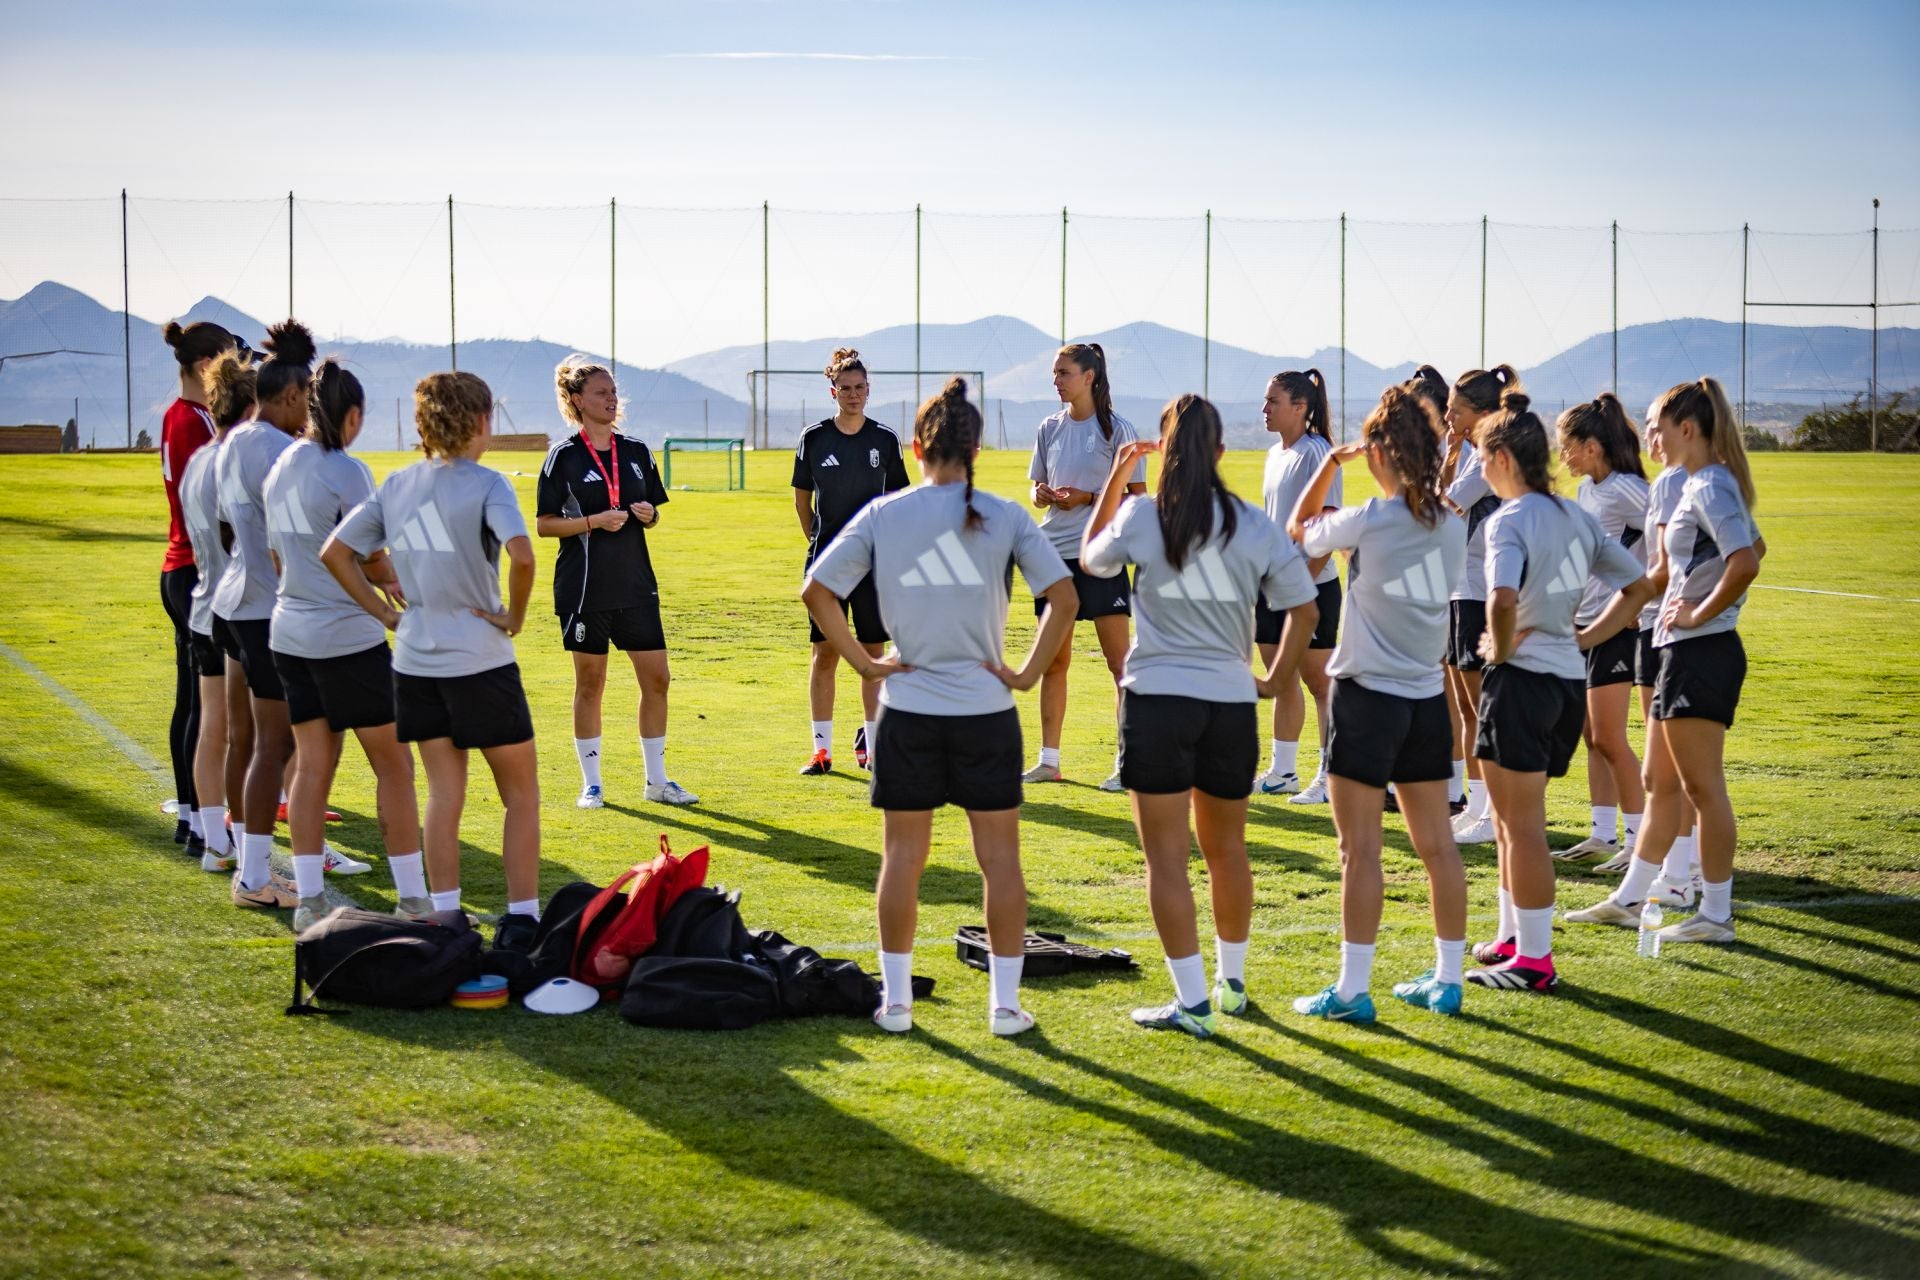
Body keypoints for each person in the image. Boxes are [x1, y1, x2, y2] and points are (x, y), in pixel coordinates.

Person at [803, 378, 1077, 1037]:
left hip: (909, 710)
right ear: (975, 445)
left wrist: (867, 662)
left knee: (903, 859)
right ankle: (1004, 1008)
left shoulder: (885, 514)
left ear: (917, 445)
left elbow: (816, 591)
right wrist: (1024, 674)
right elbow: (1065, 597)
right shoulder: (1006, 513)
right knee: (1000, 862)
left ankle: (896, 1003)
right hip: (986, 711)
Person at [1081, 394, 1318, 1039]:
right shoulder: (1250, 521)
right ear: (1219, 452)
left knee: (1166, 858)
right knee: (1227, 851)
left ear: (1165, 450)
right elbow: (1306, 608)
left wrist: (1115, 476)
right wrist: (1272, 678)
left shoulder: (1140, 513)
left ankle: (1193, 1002)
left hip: (1158, 701)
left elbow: (1089, 559)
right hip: (1230, 705)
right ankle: (1232, 985)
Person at [325, 372, 544, 952]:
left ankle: (446, 917)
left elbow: (336, 553)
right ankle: (522, 918)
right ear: (480, 422)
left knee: (445, 794)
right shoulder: (490, 483)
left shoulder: (395, 485)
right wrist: (513, 617)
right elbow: (523, 557)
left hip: (417, 662)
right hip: (480, 658)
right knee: (520, 794)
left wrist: (387, 615)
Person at [1283, 387, 1470, 1022]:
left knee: (1358, 852)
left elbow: (1299, 532)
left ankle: (1352, 990)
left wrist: (1328, 465)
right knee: (1438, 848)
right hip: (1424, 703)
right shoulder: (1452, 519)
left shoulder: (1371, 515)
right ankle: (1448, 980)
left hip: (1366, 701)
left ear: (1382, 452)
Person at [1461, 392, 1653, 993]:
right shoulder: (1576, 516)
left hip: (1522, 683)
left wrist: (1503, 645)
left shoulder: (1508, 520)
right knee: (1510, 822)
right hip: (1565, 682)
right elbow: (1641, 586)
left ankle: (1536, 962)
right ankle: (1512, 938)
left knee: (1521, 826)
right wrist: (1588, 634)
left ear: (1499, 459)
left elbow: (1500, 599)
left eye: (1480, 455)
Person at [1564, 378, 1762, 946]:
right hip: (1676, 649)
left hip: (1703, 651)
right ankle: (1631, 898)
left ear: (1687, 428)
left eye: (1654, 422)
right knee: (1661, 782)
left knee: (1703, 789)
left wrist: (1700, 612)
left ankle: (1716, 916)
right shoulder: (1690, 484)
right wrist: (1586, 636)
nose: (1646, 433)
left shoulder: (1710, 485)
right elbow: (1654, 578)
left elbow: (1746, 561)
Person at [266, 358, 427, 930]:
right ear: (352, 415)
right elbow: (365, 551)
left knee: (312, 766)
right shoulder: (347, 471)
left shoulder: (281, 462)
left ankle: (310, 897)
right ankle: (412, 897)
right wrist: (389, 602)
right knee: (394, 765)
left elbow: (278, 555)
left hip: (289, 633)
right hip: (345, 640)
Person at [535, 356, 696, 809]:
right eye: (601, 393)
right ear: (576, 401)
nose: (611, 399)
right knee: (591, 684)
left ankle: (658, 782)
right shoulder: (563, 457)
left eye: (613, 391)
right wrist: (590, 521)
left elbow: (653, 511)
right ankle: (592, 784)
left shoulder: (637, 452)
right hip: (585, 589)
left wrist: (649, 515)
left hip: (635, 586)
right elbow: (545, 525)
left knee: (658, 679)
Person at [212, 321, 316, 911]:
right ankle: (254, 877)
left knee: (258, 742)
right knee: (275, 746)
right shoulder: (277, 448)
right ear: (293, 394)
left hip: (237, 599)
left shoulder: (234, 440)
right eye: (307, 402)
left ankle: (255, 865)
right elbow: (298, 538)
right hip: (263, 609)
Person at [1023, 343, 1146, 791]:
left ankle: (1126, 762)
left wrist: (1090, 499)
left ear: (1089, 376)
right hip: (1052, 556)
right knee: (1054, 663)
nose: (1056, 380)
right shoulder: (1048, 427)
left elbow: (1138, 500)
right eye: (1054, 372)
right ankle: (1049, 761)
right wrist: (1042, 494)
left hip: (1102, 558)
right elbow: (1039, 482)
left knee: (1120, 665)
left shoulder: (1118, 430)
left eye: (1064, 372)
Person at [790, 347, 910, 775]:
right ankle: (821, 751)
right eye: (846, 388)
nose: (854, 394)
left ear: (868, 390)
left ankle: (876, 749)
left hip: (875, 564)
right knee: (824, 655)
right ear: (833, 391)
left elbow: (897, 501)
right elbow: (803, 500)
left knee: (873, 653)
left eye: (860, 388)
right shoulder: (814, 437)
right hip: (827, 565)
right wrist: (818, 543)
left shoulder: (884, 439)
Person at [1550, 395, 1651, 868]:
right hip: (1586, 620)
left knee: (1611, 737)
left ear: (1592, 446)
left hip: (1617, 626)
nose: (1562, 456)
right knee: (1592, 735)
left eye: (1567, 446)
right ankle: (1602, 834)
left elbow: (1668, 531)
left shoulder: (1625, 489)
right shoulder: (1589, 490)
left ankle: (1639, 840)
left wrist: (1641, 595)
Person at [158, 319, 236, 856]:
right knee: (199, 705)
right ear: (207, 364)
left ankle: (194, 815)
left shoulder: (191, 415)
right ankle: (194, 817)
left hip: (191, 567)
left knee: (196, 700)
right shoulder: (188, 422)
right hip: (192, 570)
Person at [1440, 365, 1524, 845]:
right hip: (1459, 588)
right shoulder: (1467, 452)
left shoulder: (1490, 455)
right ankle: (1478, 807)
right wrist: (1450, 454)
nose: (1448, 416)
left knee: (1481, 708)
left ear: (1485, 413)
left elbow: (1445, 504)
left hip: (1478, 589)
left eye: (1456, 409)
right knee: (1469, 708)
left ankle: (1493, 812)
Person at [1252, 369, 1343, 804]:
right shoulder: (1275, 454)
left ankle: (1330, 775)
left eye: (1273, 401)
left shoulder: (1317, 453)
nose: (1264, 409)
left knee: (1320, 684)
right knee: (1279, 678)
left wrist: (1300, 588)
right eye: (1266, 400)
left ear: (1300, 408)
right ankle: (1283, 771)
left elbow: (1324, 529)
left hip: (1310, 588)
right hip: (1272, 586)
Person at [177, 345, 251, 874]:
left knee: (213, 728)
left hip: (203, 604)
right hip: (236, 610)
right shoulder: (235, 461)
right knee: (252, 735)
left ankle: (213, 841)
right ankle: (247, 849)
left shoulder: (200, 459)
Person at [1402, 364, 1469, 814]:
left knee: (1451, 686)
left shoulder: (1456, 449)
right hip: (1426, 573)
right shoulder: (1426, 449)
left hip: (1452, 575)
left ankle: (1456, 787)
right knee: (1430, 678)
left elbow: (1447, 506)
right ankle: (1434, 780)